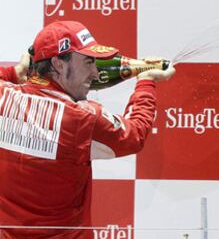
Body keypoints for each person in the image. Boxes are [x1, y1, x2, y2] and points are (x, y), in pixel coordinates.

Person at [0, 20, 175, 238]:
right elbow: (135, 134)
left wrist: (15, 72)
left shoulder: (3, 95)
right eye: (88, 62)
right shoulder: (81, 119)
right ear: (59, 64)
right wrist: (146, 81)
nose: (94, 73)